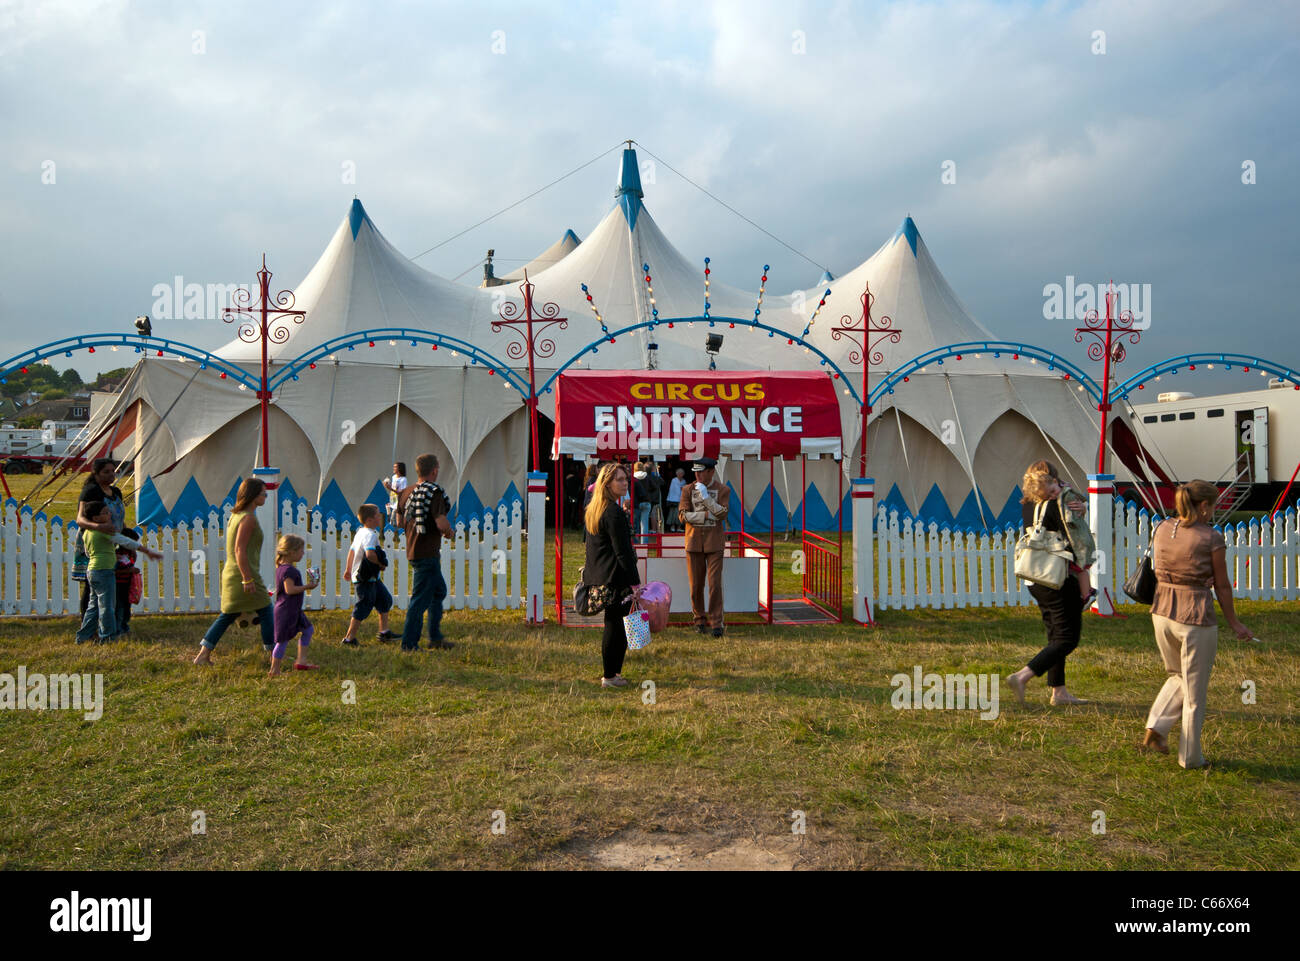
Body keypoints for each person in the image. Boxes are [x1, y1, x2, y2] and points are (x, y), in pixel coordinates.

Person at [1141, 480, 1253, 767]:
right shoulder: (1211, 538)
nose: (1213, 511)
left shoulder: (1162, 528)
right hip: (1195, 617)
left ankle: (1156, 726)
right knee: (1194, 693)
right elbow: (1223, 585)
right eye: (1213, 506)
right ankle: (1190, 757)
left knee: (1177, 675)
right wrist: (1235, 623)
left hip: (1161, 612)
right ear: (1203, 506)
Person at [1006, 460, 1090, 705]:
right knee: (1067, 639)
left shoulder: (1028, 505)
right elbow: (1077, 532)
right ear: (1052, 479)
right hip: (1058, 576)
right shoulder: (1057, 505)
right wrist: (1080, 509)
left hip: (1036, 578)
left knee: (1055, 635)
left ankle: (1059, 691)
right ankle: (1023, 676)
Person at [195, 478, 274, 665]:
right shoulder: (248, 518)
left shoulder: (236, 515)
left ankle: (203, 654)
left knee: (228, 615)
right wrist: (247, 579)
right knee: (266, 610)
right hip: (243, 574)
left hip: (234, 572)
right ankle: (273, 655)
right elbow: (240, 549)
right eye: (264, 493)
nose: (266, 496)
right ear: (254, 495)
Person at [584, 463, 640, 687]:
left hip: (601, 574)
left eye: (626, 478)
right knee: (616, 627)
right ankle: (610, 675)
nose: (625, 482)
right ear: (607, 484)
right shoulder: (612, 512)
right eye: (619, 479)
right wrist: (635, 584)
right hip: (616, 577)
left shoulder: (596, 508)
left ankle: (612, 674)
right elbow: (623, 552)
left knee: (613, 624)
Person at [75, 503, 160, 643]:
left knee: (93, 606)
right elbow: (125, 541)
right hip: (104, 570)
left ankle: (83, 636)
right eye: (105, 512)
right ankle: (107, 636)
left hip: (92, 570)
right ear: (95, 518)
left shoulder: (87, 533)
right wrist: (146, 550)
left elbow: (87, 552)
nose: (109, 514)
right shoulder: (104, 532)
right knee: (107, 606)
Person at [398, 452, 454, 652]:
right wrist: (449, 531)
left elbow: (398, 522)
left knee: (438, 592)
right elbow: (440, 522)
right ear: (434, 470)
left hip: (413, 549)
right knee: (420, 600)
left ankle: (435, 637)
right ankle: (409, 644)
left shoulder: (405, 492)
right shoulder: (434, 492)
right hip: (427, 552)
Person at [678, 456, 730, 637]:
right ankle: (699, 620)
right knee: (696, 586)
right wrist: (708, 515)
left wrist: (707, 499)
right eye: (696, 472)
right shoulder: (687, 489)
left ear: (711, 472)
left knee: (715, 584)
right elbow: (683, 516)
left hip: (714, 543)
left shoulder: (723, 489)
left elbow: (723, 514)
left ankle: (717, 622)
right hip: (693, 543)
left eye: (701, 472)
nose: (698, 475)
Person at [74, 458, 127, 617]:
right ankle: (88, 625)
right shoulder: (91, 491)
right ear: (96, 474)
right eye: (106, 472)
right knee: (92, 585)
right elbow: (80, 519)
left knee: (113, 582)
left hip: (114, 541)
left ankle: (110, 620)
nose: (111, 475)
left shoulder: (116, 492)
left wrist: (126, 534)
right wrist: (100, 527)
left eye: (113, 471)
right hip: (95, 542)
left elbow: (119, 517)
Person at [341, 503, 395, 645]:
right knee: (364, 605)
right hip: (364, 577)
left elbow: (352, 551)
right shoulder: (370, 535)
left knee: (384, 599)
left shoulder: (361, 532)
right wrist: (380, 564)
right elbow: (370, 554)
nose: (380, 517)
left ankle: (384, 632)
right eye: (378, 515)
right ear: (370, 520)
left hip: (371, 577)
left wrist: (348, 569)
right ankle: (349, 638)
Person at [270, 534, 319, 675]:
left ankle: (301, 662)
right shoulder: (289, 570)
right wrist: (307, 587)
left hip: (293, 610)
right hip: (286, 611)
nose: (303, 553)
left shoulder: (282, 568)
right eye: (301, 551)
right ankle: (274, 670)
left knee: (308, 630)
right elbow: (289, 590)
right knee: (282, 640)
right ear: (291, 552)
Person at [113, 527, 143, 636]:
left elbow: (131, 563)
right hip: (118, 585)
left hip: (127, 585)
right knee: (119, 608)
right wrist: (129, 570)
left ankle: (125, 627)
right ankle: (118, 629)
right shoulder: (117, 554)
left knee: (126, 608)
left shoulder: (130, 554)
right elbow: (114, 571)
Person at [632, 461, 653, 542]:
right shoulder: (647, 477)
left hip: (636, 502)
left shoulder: (633, 478)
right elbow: (654, 486)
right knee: (644, 524)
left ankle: (636, 542)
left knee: (635, 524)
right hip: (647, 501)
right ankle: (644, 543)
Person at [383, 461, 408, 528]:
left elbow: (402, 493)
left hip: (399, 502)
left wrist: (390, 488)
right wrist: (387, 485)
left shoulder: (403, 479)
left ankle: (394, 535)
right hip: (393, 501)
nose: (393, 468)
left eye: (395, 467)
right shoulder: (394, 477)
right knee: (390, 518)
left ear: (400, 468)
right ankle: (393, 534)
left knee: (393, 521)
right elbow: (394, 488)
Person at [666, 467, 686, 534]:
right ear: (677, 474)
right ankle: (672, 527)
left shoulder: (684, 481)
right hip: (674, 500)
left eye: (682, 473)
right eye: (679, 473)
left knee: (680, 514)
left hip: (681, 500)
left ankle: (679, 527)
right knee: (673, 514)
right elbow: (672, 490)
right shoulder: (674, 480)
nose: (681, 474)